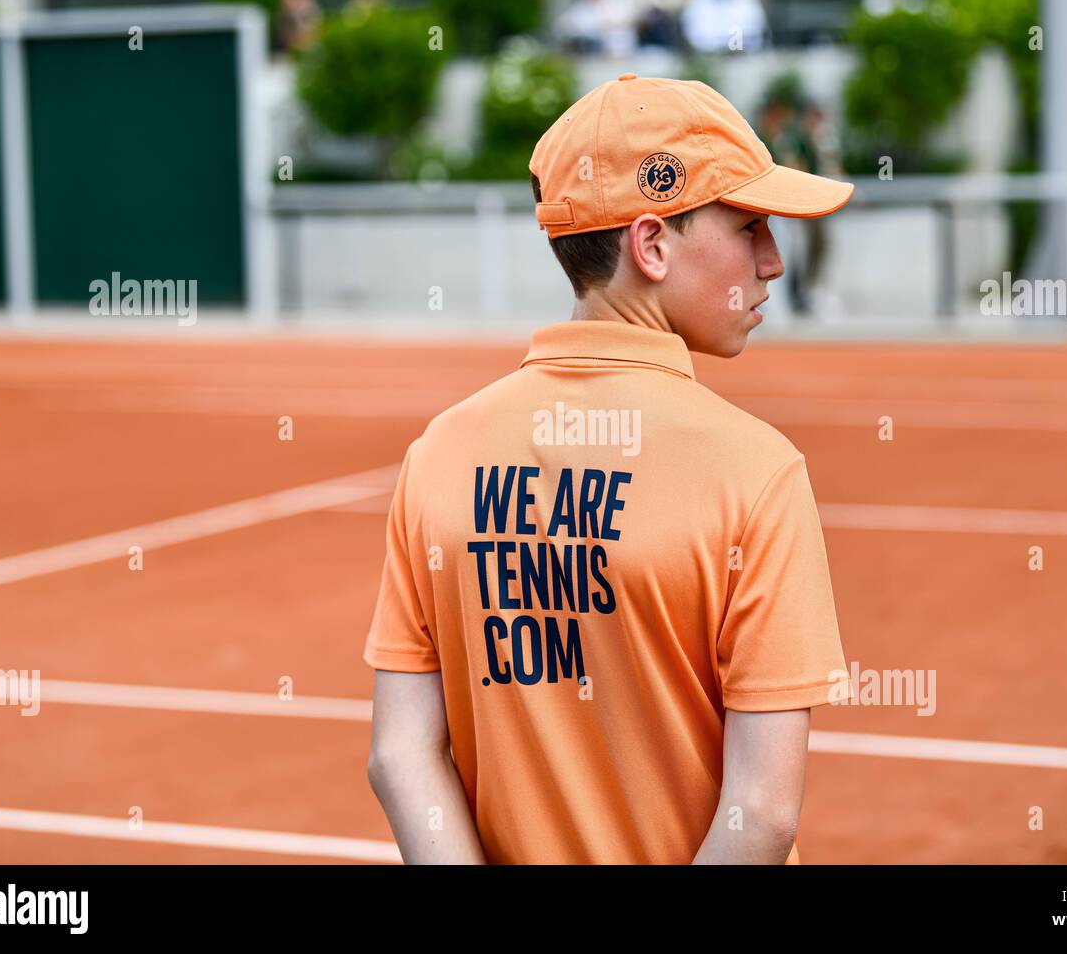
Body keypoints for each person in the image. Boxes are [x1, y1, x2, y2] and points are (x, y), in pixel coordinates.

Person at [364, 73, 855, 864]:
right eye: (750, 226)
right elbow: (760, 814)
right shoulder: (757, 471)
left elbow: (400, 755)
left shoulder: (440, 452)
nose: (773, 262)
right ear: (652, 244)